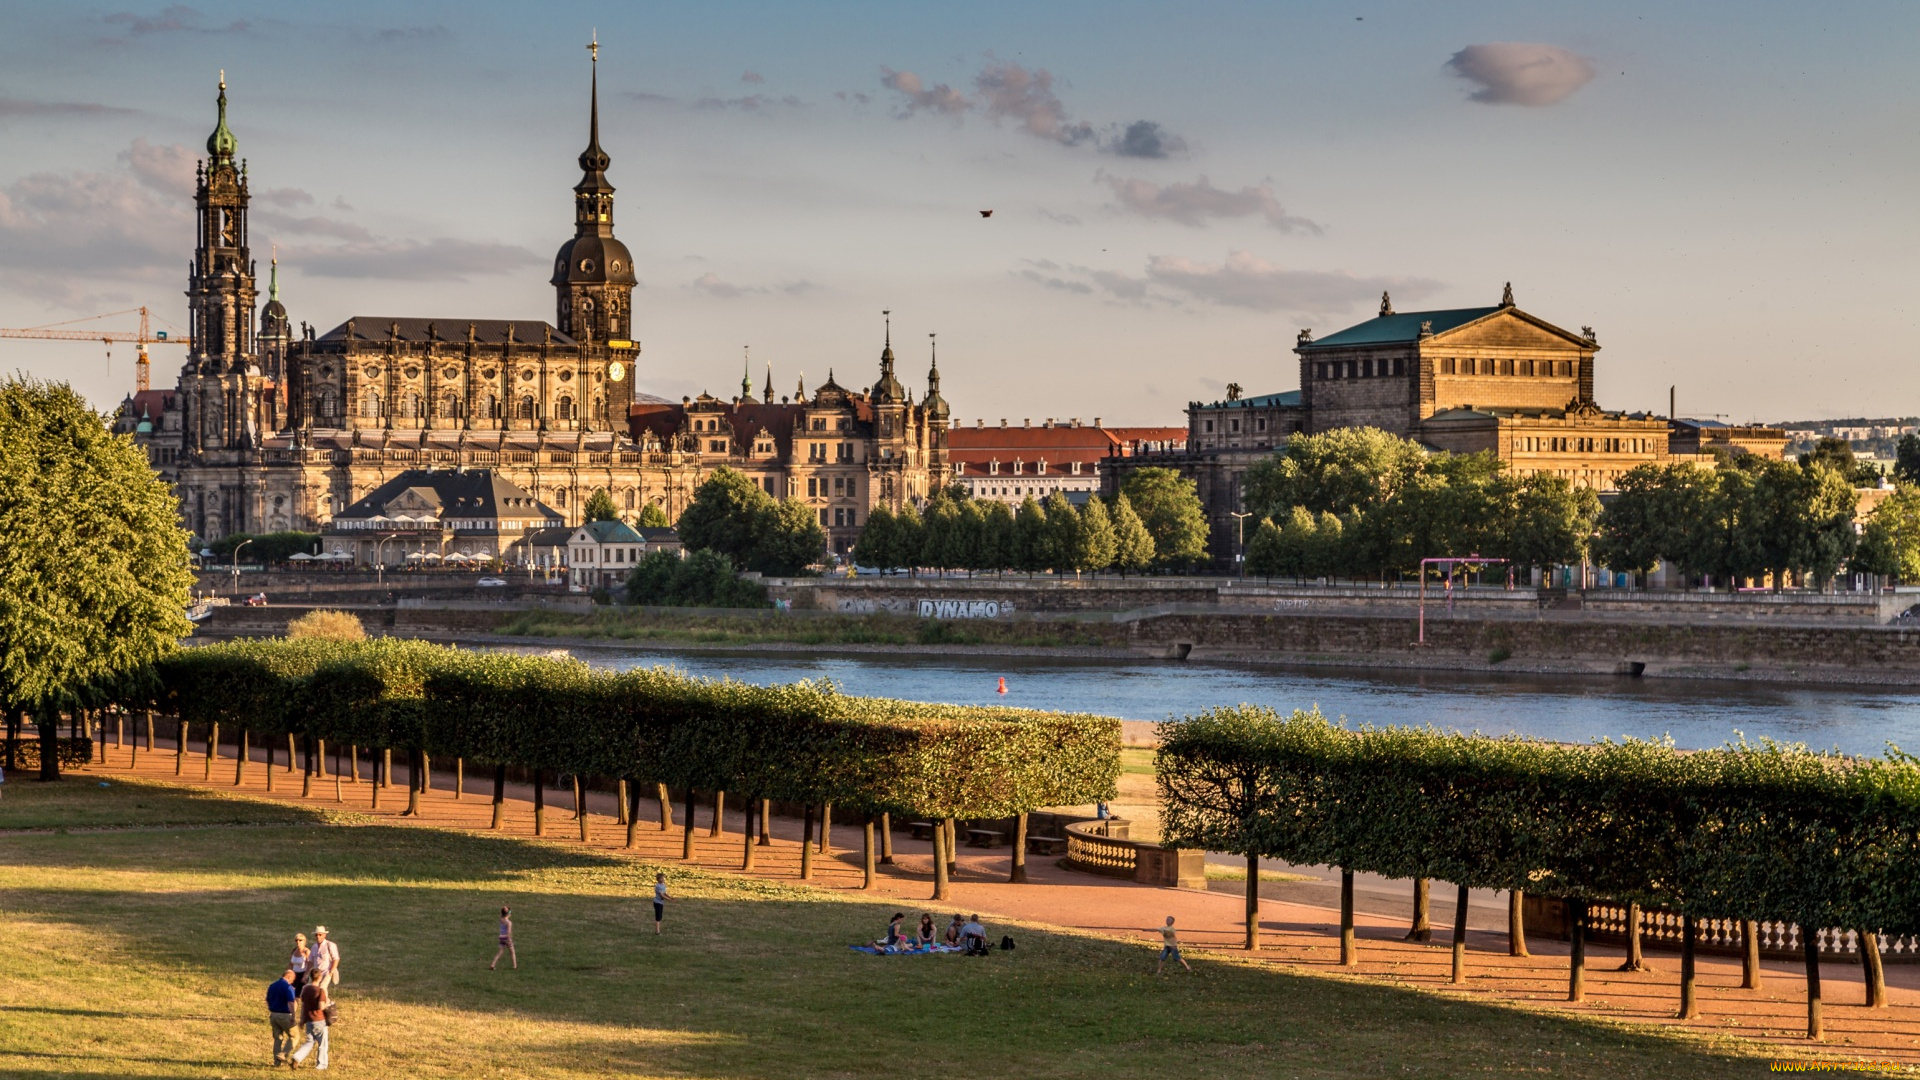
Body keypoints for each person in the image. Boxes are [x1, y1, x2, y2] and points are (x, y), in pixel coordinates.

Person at [291, 978, 331, 1069]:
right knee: (322, 1044)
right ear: (320, 978)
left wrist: (302, 1020)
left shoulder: (305, 989)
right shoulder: (320, 991)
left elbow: (304, 1006)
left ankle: (297, 1057)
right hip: (320, 1020)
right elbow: (321, 1006)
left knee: (309, 1042)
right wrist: (327, 1003)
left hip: (309, 1020)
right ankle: (321, 1065)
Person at [266, 969, 297, 1065]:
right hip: (284, 1015)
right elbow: (291, 1003)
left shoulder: (272, 985)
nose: (292, 982)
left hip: (273, 1014)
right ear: (289, 977)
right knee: (295, 1036)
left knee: (278, 1038)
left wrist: (271, 1009)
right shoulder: (288, 987)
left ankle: (276, 1062)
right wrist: (293, 1016)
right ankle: (283, 1054)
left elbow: (267, 999)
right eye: (293, 980)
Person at [491, 905, 517, 970]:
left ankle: (492, 965)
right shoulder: (509, 923)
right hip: (507, 939)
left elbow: (502, 914)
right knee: (512, 952)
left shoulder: (501, 919)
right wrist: (509, 938)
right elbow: (508, 933)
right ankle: (514, 966)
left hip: (501, 938)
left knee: (500, 952)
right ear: (508, 914)